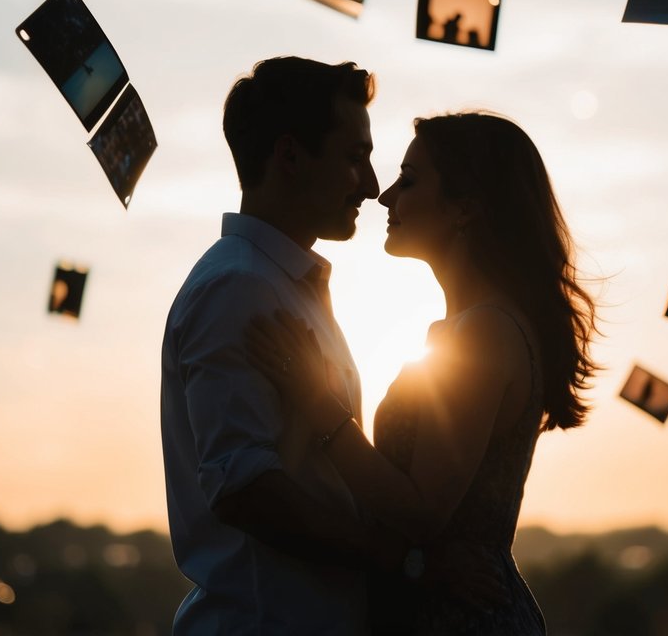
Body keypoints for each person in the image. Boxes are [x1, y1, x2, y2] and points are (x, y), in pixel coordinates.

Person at [249, 111, 598, 635]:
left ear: (465, 208)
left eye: (408, 181)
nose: (385, 197)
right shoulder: (467, 329)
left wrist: (316, 400)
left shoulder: (484, 333)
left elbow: (421, 511)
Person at [160, 56, 383, 634]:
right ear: (289, 156)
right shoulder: (238, 286)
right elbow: (246, 491)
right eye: (355, 157)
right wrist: (400, 558)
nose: (373, 185)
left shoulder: (281, 284)